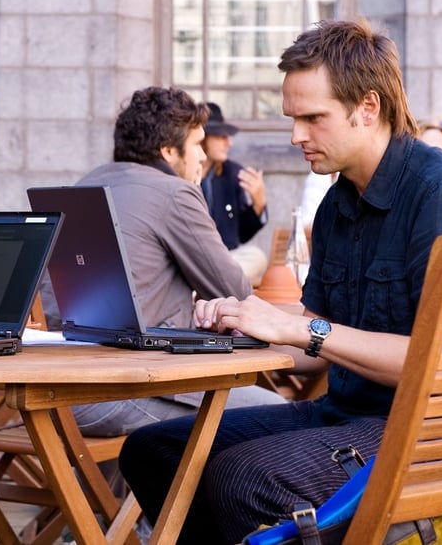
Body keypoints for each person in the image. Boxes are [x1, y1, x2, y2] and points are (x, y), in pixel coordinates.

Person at [119, 19, 442, 544]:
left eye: (313, 118)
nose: (297, 135)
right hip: (347, 415)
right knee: (152, 450)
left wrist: (304, 331)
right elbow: (313, 340)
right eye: (292, 118)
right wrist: (247, 329)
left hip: (430, 432)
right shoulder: (336, 203)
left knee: (244, 478)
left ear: (368, 108)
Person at [65, 86, 282, 439]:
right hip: (125, 388)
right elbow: (237, 292)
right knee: (283, 418)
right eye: (197, 145)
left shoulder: (85, 184)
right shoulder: (174, 192)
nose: (203, 158)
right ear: (168, 151)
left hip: (56, 391)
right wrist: (192, 194)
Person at [199, 102, 269, 285]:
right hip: (194, 258)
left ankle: (208, 284)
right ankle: (218, 282)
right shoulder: (183, 172)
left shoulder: (232, 173)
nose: (228, 142)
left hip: (226, 259)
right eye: (221, 136)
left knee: (257, 256)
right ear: (203, 137)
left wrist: (258, 205)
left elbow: (241, 234)